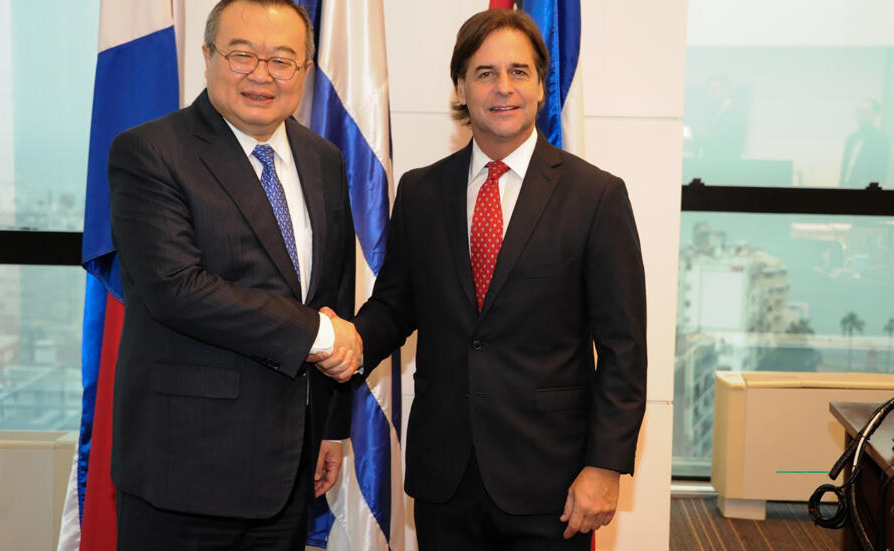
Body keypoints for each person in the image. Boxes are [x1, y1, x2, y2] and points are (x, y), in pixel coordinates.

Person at [319, 9, 647, 549]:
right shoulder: (422, 192)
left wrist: (605, 467)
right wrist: (348, 340)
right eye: (485, 72)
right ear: (461, 87)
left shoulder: (596, 197)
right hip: (444, 477)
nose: (503, 88)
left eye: (519, 72)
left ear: (542, 86)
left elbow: (624, 348)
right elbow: (396, 307)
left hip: (553, 483)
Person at [107, 0, 361, 548]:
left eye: (282, 60)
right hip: (184, 473)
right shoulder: (150, 151)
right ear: (207, 56)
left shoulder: (323, 159)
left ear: (305, 70)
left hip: (290, 469)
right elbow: (177, 289)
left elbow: (334, 294)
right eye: (242, 55)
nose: (262, 75)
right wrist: (318, 336)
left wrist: (333, 426)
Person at [840, 98, 888, 188]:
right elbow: (845, 170)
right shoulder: (851, 139)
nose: (859, 114)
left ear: (874, 115)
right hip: (845, 191)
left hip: (866, 194)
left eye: (864, 111)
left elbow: (880, 172)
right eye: (858, 111)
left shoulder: (881, 140)